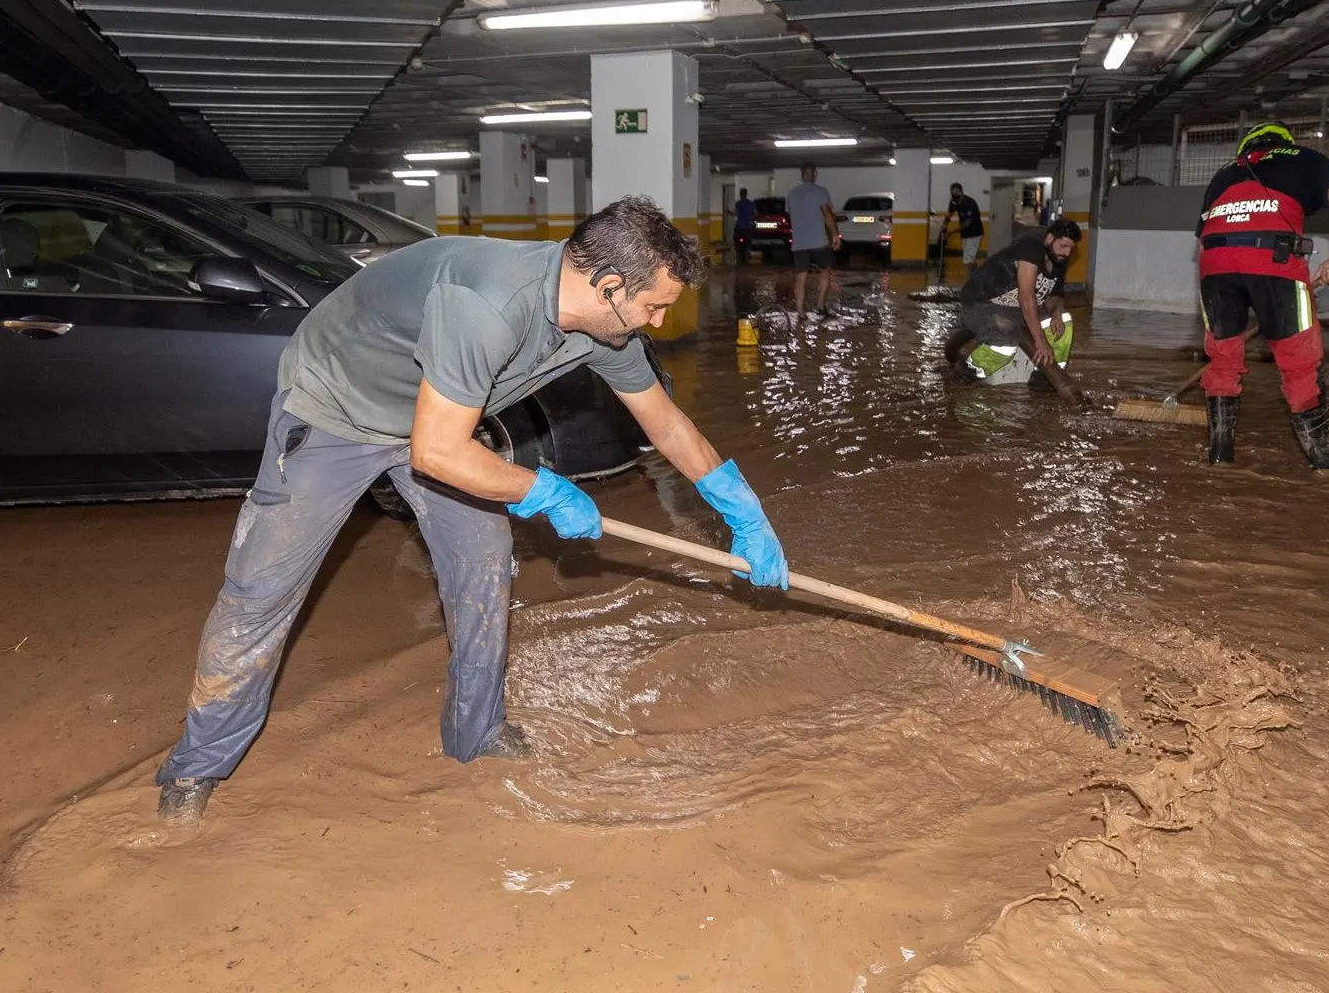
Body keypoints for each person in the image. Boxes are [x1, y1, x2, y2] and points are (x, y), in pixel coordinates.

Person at [153, 196, 791, 830]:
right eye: (653, 306)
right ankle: (196, 766)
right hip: (337, 407)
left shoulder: (607, 327)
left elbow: (667, 424)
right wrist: (544, 492)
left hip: (439, 418)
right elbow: (436, 454)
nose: (656, 322)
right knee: (261, 592)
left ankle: (476, 734)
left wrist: (744, 512)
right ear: (608, 285)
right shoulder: (488, 302)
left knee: (485, 564)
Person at [1196, 121, 1329, 473]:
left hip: (1214, 265)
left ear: (1246, 147)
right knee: (1299, 358)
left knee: (1223, 358)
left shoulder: (1225, 173)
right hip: (1274, 261)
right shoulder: (1302, 157)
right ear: (1284, 142)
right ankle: (1323, 458)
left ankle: (1220, 456)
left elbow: (1202, 237)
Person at [942, 218, 1084, 405]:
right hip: (981, 305)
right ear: (1049, 238)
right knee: (1004, 344)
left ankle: (1042, 380)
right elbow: (1026, 299)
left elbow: (1054, 296)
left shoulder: (1059, 259)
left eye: (1071, 248)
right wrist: (1040, 341)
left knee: (1064, 321)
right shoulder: (1031, 247)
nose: (1067, 253)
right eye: (1064, 246)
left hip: (1014, 311)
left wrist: (1057, 311)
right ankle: (964, 374)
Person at [785, 162, 839, 315]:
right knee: (825, 271)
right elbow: (828, 216)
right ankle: (820, 306)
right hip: (819, 241)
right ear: (815, 173)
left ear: (802, 175)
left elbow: (791, 216)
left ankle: (800, 312)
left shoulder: (791, 194)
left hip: (799, 242)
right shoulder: (821, 192)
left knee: (801, 276)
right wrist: (835, 235)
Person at [943, 183, 985, 272]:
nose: (954, 195)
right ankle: (975, 277)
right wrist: (944, 225)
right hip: (965, 234)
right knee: (970, 258)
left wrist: (951, 232)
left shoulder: (970, 203)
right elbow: (949, 214)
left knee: (968, 260)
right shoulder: (953, 201)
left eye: (956, 193)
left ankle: (969, 281)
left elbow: (967, 223)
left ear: (961, 192)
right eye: (952, 193)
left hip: (975, 233)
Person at [732, 188, 754, 267]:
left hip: (740, 227)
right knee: (748, 244)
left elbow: (735, 213)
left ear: (740, 194)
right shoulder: (751, 203)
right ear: (746, 194)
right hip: (747, 227)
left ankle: (738, 256)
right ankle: (747, 258)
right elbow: (753, 214)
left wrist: (728, 212)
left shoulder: (738, 203)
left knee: (736, 242)